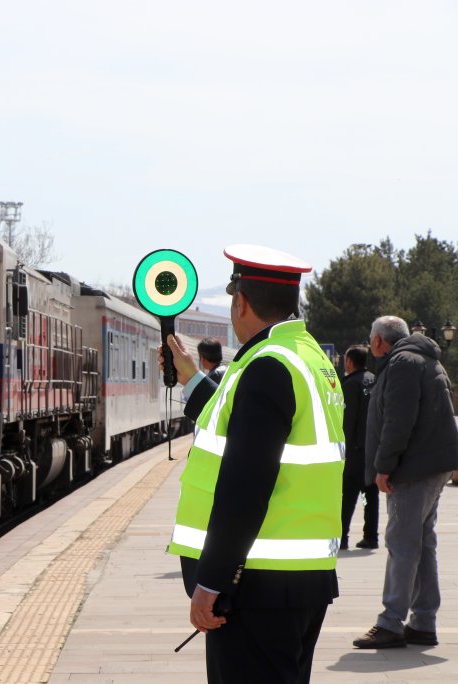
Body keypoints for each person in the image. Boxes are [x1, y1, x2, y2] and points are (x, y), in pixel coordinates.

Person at [164, 244, 344, 684]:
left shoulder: (265, 366)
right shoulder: (309, 359)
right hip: (299, 580)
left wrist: (211, 581)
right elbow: (249, 433)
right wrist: (192, 380)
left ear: (241, 301)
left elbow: (245, 484)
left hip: (254, 585)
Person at [352, 315, 458, 649]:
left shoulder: (402, 364)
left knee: (402, 544)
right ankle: (423, 621)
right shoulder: (425, 360)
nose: (371, 344)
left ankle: (391, 622)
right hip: (431, 466)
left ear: (379, 340)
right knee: (421, 544)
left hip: (412, 469)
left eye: (372, 338)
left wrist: (384, 466)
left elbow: (398, 420)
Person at [340, 344, 378, 550]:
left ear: (349, 361)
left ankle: (342, 537)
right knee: (369, 495)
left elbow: (348, 420)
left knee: (348, 497)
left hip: (355, 452)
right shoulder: (375, 381)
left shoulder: (351, 384)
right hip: (373, 450)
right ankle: (371, 536)